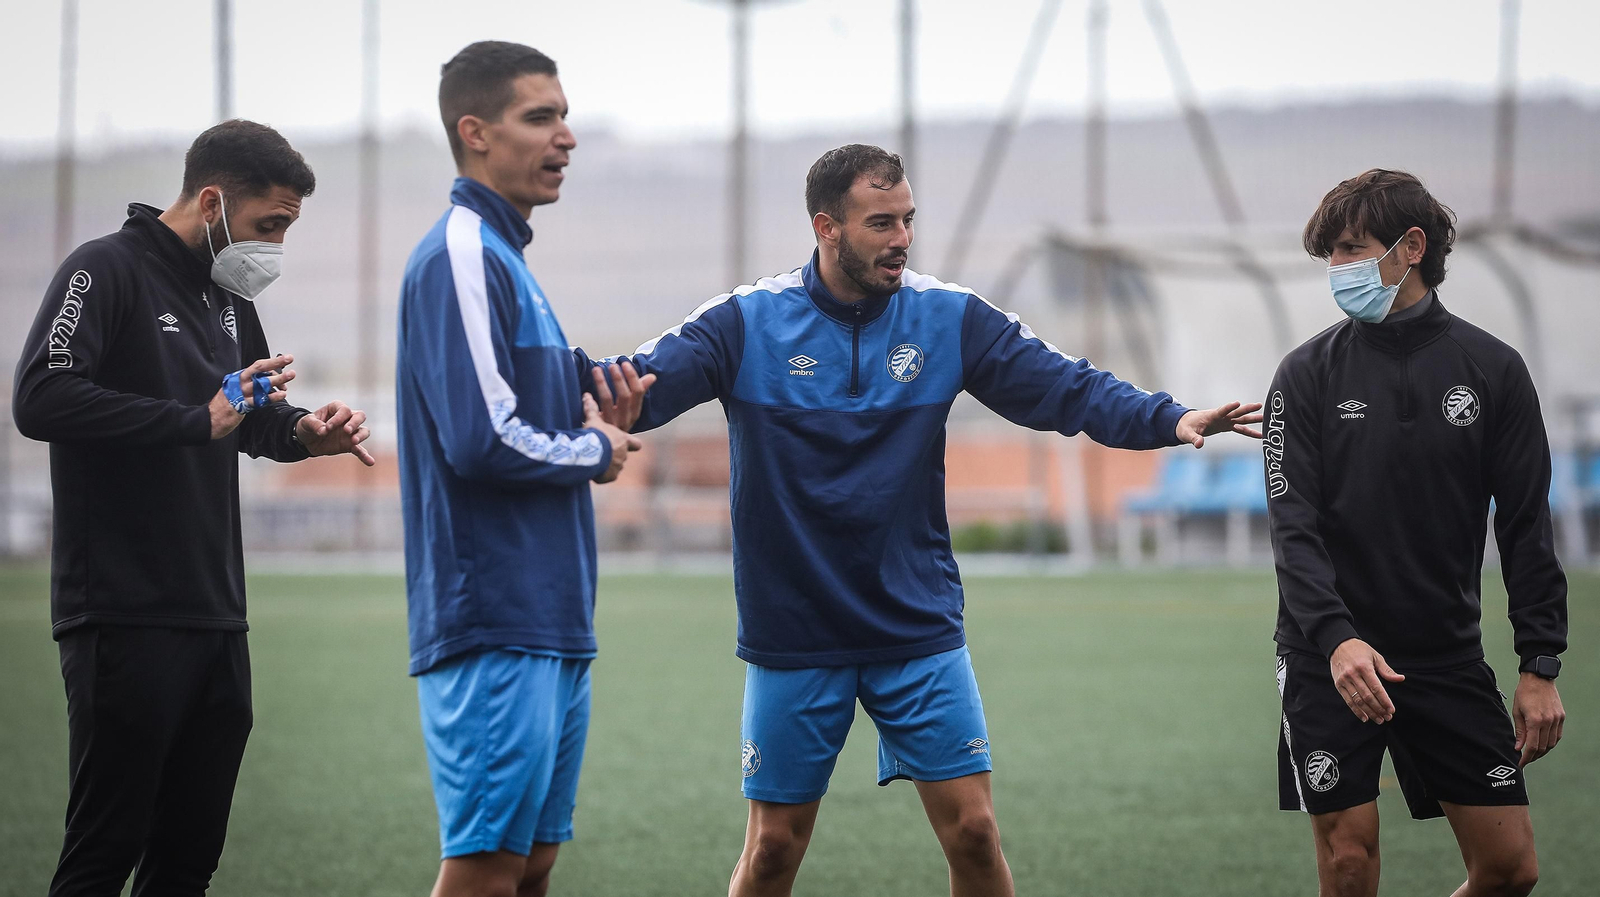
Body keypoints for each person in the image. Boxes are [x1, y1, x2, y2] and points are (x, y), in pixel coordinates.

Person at [580, 144, 1261, 897]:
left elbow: (1067, 387)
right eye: (881, 222)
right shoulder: (747, 323)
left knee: (974, 832)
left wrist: (1168, 417)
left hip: (915, 621)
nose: (902, 236)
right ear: (827, 227)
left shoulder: (949, 318)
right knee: (773, 847)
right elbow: (629, 384)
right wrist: (550, 394)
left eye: (907, 219)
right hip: (795, 628)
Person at [11, 119, 373, 897]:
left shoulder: (227, 294)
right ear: (212, 201)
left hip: (216, 615)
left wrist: (305, 431)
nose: (274, 246)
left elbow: (247, 413)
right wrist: (191, 418)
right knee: (104, 854)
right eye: (267, 224)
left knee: (187, 861)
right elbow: (40, 395)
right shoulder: (101, 270)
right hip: (121, 612)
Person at [1266, 168, 1567, 897]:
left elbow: (1527, 526)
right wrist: (1337, 641)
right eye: (1329, 254)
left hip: (1445, 655)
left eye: (1349, 248)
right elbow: (1293, 531)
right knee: (1347, 861)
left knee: (1509, 868)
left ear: (1410, 246)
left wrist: (1539, 663)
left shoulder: (1494, 370)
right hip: (1327, 657)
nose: (1336, 269)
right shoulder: (1303, 375)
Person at [395, 41, 644, 897]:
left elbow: (535, 409)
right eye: (541, 117)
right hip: (494, 613)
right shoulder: (461, 254)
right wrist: (596, 450)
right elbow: (481, 437)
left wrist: (599, 411)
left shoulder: (510, 259)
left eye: (565, 115)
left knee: (531, 864)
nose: (566, 136)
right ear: (475, 133)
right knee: (486, 869)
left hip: (550, 613)